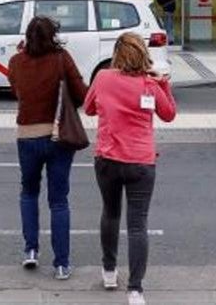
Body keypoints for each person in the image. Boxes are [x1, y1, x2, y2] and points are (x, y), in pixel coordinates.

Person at [83, 33, 177, 305]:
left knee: (110, 214)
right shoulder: (150, 83)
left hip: (108, 159)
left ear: (117, 55)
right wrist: (165, 84)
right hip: (141, 162)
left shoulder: (102, 78)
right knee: (138, 225)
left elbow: (89, 109)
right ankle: (135, 289)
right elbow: (169, 114)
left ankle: (109, 271)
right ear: (142, 55)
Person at [7, 15, 88, 280]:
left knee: (28, 193)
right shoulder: (62, 59)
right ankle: (61, 264)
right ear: (53, 35)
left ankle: (30, 250)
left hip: (27, 136)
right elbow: (82, 95)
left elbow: (16, 90)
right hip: (58, 136)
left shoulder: (16, 61)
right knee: (59, 201)